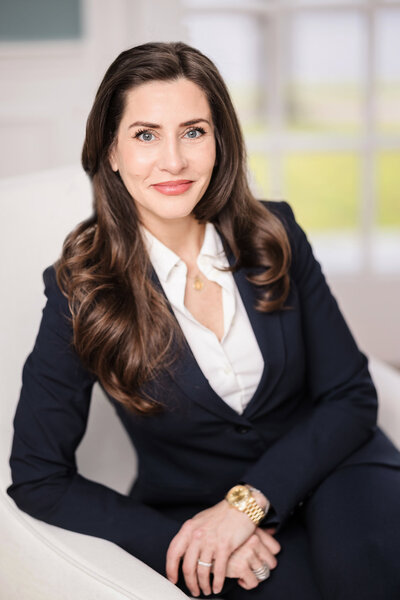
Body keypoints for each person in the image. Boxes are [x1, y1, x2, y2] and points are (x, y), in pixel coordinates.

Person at [7, 41, 400, 600]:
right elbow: (39, 478)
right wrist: (191, 537)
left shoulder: (274, 233)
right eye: (146, 135)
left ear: (219, 143)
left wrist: (250, 501)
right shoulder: (81, 290)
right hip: (198, 513)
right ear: (111, 151)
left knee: (371, 574)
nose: (174, 161)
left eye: (193, 131)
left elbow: (351, 396)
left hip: (340, 466)